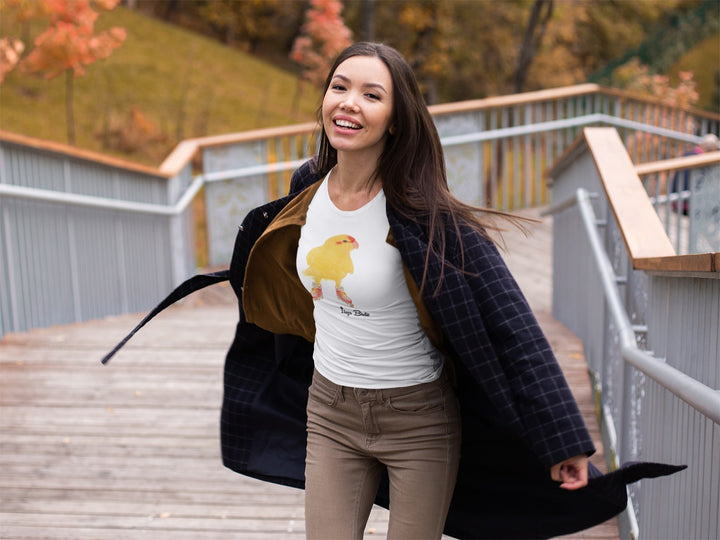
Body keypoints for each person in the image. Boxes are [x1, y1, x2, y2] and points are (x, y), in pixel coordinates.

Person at [104, 42, 684, 540]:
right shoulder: (308, 189)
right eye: (339, 87)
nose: (349, 103)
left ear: (396, 119)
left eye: (372, 94)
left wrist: (563, 438)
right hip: (330, 411)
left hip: (419, 424)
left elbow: (512, 326)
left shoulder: (427, 219)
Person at [670, 133, 719, 215]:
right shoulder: (703, 161)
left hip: (676, 202)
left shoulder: (686, 154)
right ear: (712, 149)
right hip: (690, 205)